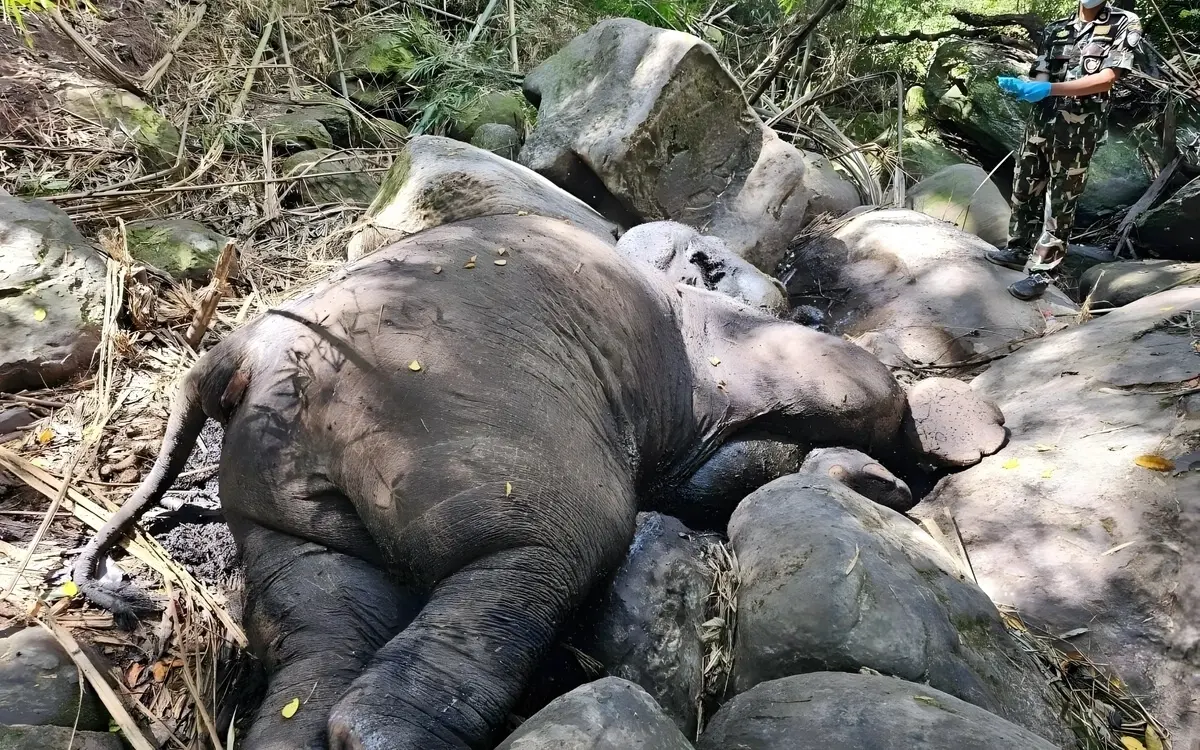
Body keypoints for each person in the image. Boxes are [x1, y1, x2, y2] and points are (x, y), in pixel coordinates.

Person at [988, 0, 1145, 300]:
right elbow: (1042, 74)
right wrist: (1025, 87)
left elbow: (1108, 78)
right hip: (1039, 126)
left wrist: (1050, 90)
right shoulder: (1057, 28)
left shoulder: (1123, 22)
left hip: (1078, 133)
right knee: (1025, 190)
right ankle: (1017, 249)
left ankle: (1042, 273)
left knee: (1060, 202)